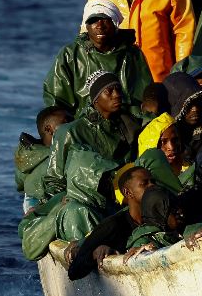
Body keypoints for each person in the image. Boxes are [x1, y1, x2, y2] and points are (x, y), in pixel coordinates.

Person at [43, 71, 143, 241]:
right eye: (109, 91)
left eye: (118, 89)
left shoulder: (130, 126)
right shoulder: (70, 132)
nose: (117, 95)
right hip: (85, 202)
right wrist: (64, 201)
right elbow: (54, 180)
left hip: (122, 200)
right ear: (96, 98)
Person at [44, 0, 154, 117]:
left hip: (125, 122)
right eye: (93, 20)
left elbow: (143, 96)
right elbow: (55, 101)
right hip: (84, 124)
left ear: (115, 23)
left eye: (105, 20)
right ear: (86, 25)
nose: (99, 26)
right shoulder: (70, 55)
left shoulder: (132, 54)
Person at [66, 166, 153, 280]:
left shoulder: (161, 216)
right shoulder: (113, 225)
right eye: (144, 184)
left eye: (153, 182)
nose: (152, 186)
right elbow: (74, 271)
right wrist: (95, 253)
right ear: (128, 192)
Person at [15, 106, 72, 214]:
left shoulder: (28, 152)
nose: (72, 125)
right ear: (48, 129)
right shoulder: (54, 157)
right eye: (66, 122)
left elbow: (20, 184)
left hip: (30, 202)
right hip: (42, 205)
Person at [123, 187, 188, 259]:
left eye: (178, 207)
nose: (181, 214)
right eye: (172, 210)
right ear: (158, 212)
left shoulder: (186, 225)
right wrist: (149, 249)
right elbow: (139, 247)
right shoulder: (146, 235)